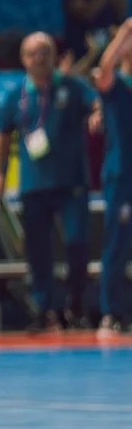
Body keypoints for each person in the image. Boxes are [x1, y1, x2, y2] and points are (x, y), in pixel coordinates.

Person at [0, 32, 94, 330]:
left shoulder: (72, 87)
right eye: (33, 54)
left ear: (53, 56)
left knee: (77, 243)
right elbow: (1, 135)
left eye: (45, 52)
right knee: (38, 250)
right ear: (23, 59)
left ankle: (75, 303)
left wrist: (98, 115)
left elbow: (97, 103)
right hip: (34, 184)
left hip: (71, 181)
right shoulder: (16, 95)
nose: (39, 59)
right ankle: (42, 308)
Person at [94, 18, 132, 337]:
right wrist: (124, 33)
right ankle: (111, 312)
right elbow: (104, 70)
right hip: (123, 176)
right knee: (117, 244)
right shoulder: (117, 86)